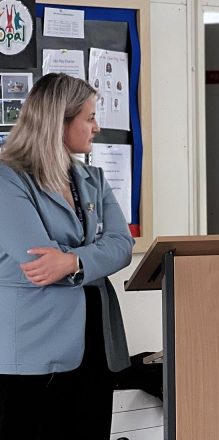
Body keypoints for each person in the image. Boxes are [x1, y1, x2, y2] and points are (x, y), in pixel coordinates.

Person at [0, 73, 134, 439]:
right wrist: (93, 256)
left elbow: (122, 245)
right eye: (89, 118)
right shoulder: (8, 179)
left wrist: (74, 262)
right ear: (59, 121)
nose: (97, 127)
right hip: (32, 353)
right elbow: (37, 261)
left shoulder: (93, 178)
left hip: (95, 346)